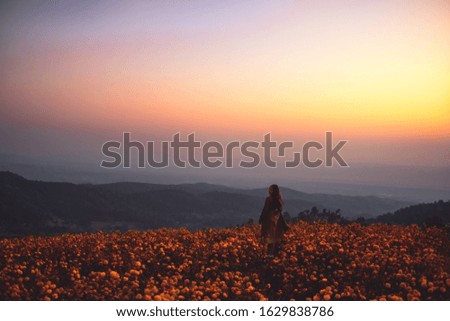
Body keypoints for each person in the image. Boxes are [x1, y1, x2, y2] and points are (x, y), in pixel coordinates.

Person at [259, 184, 289, 257]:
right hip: (277, 221)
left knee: (269, 238)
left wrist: (261, 218)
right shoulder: (279, 200)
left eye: (270, 189)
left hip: (269, 221)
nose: (269, 190)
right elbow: (279, 211)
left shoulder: (269, 199)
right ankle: (275, 255)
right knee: (275, 238)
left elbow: (265, 210)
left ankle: (269, 255)